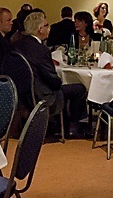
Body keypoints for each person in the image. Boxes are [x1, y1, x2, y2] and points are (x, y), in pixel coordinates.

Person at [14, 10, 88, 138]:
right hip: (40, 95)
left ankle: (60, 124)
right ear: (40, 29)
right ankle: (73, 128)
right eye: (47, 25)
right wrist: (59, 81)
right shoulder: (41, 50)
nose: (49, 28)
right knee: (79, 89)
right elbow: (53, 81)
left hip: (21, 94)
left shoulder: (16, 45)